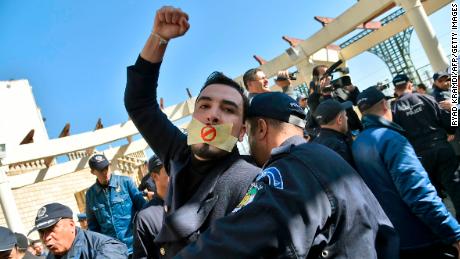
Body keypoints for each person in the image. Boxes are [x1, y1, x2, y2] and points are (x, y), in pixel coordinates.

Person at [176, 92, 398, 258]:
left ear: (261, 128)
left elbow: (241, 237)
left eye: (249, 133)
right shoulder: (324, 156)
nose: (249, 144)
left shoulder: (287, 168)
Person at [124, 6, 260, 257]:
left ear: (242, 131)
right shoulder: (178, 153)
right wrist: (159, 37)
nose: (213, 114)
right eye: (205, 105)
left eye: (228, 109)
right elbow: (139, 102)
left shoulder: (250, 181)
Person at [353, 87, 460, 258]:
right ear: (384, 104)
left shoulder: (358, 143)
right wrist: (453, 233)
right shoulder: (391, 139)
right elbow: (419, 194)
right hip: (422, 235)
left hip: (396, 237)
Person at [391, 74, 460, 219]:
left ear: (395, 89)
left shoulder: (394, 110)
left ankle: (447, 230)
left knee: (432, 194)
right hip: (441, 148)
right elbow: (450, 122)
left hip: (419, 157)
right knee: (455, 187)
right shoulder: (426, 98)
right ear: (410, 85)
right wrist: (450, 131)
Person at [85, 154, 146, 256]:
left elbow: (144, 208)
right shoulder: (91, 195)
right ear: (93, 172)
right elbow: (93, 227)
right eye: (101, 170)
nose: (105, 172)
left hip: (137, 245)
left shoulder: (126, 182)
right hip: (113, 252)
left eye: (106, 168)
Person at [28, 203, 128, 258]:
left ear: (71, 225)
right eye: (41, 232)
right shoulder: (52, 255)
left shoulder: (106, 248)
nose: (46, 238)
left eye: (51, 229)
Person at [133, 155, 169, 259]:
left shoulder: (193, 199)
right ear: (154, 176)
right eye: (169, 169)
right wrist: (146, 193)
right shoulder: (145, 218)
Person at [312, 99, 355, 167]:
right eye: (345, 115)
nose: (347, 118)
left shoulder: (314, 144)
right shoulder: (339, 147)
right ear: (340, 120)